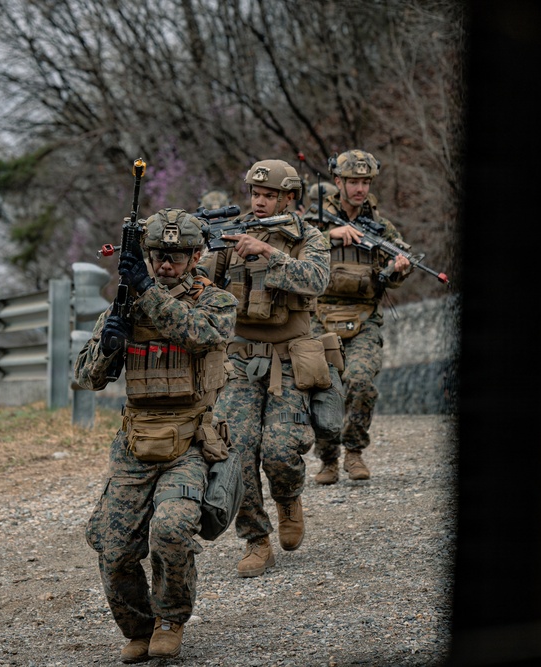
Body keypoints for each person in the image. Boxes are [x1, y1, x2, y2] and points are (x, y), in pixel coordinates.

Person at [75, 208, 237, 662]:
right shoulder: (124, 304)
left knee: (171, 527)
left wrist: (146, 292)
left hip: (190, 440)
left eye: (178, 256)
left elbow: (201, 334)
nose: (166, 265)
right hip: (135, 442)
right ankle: (138, 627)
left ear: (197, 254)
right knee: (112, 544)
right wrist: (108, 347)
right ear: (146, 253)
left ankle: (170, 619)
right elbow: (87, 377)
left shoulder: (216, 301)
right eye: (158, 255)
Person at [197, 159, 330, 578]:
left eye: (269, 194)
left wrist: (270, 254)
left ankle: (288, 497)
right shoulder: (232, 235)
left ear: (289, 197)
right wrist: (195, 261)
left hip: (291, 358)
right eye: (255, 193)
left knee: (279, 449)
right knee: (234, 449)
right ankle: (256, 540)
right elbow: (199, 286)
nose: (259, 200)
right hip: (238, 360)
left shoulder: (309, 237)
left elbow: (317, 280)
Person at [307, 149, 413, 484]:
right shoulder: (317, 219)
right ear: (338, 181)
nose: (360, 188)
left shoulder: (380, 225)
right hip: (321, 317)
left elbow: (394, 271)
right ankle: (327, 459)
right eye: (353, 181)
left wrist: (399, 269)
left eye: (365, 181)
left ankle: (353, 451)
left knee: (361, 381)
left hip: (364, 318)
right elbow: (292, 252)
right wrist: (329, 237)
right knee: (324, 389)